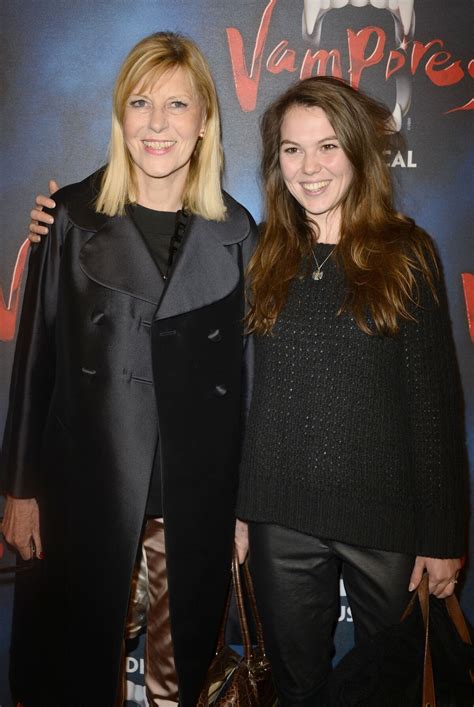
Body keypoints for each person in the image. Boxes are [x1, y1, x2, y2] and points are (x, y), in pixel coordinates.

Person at [1, 31, 256, 707]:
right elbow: (33, 362)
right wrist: (20, 489)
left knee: (182, 675)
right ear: (120, 114)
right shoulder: (70, 220)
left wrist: (246, 507)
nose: (157, 123)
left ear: (204, 122)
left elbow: (250, 387)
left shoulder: (237, 232)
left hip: (194, 499)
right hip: (85, 487)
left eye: (177, 105)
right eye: (141, 102)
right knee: (78, 668)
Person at [236, 77, 468, 706]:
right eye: (291, 150)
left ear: (359, 152)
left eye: (328, 146)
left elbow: (434, 406)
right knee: (298, 688)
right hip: (280, 516)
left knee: (390, 687)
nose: (308, 168)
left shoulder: (407, 251)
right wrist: (71, 217)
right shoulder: (259, 252)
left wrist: (443, 538)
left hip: (384, 520)